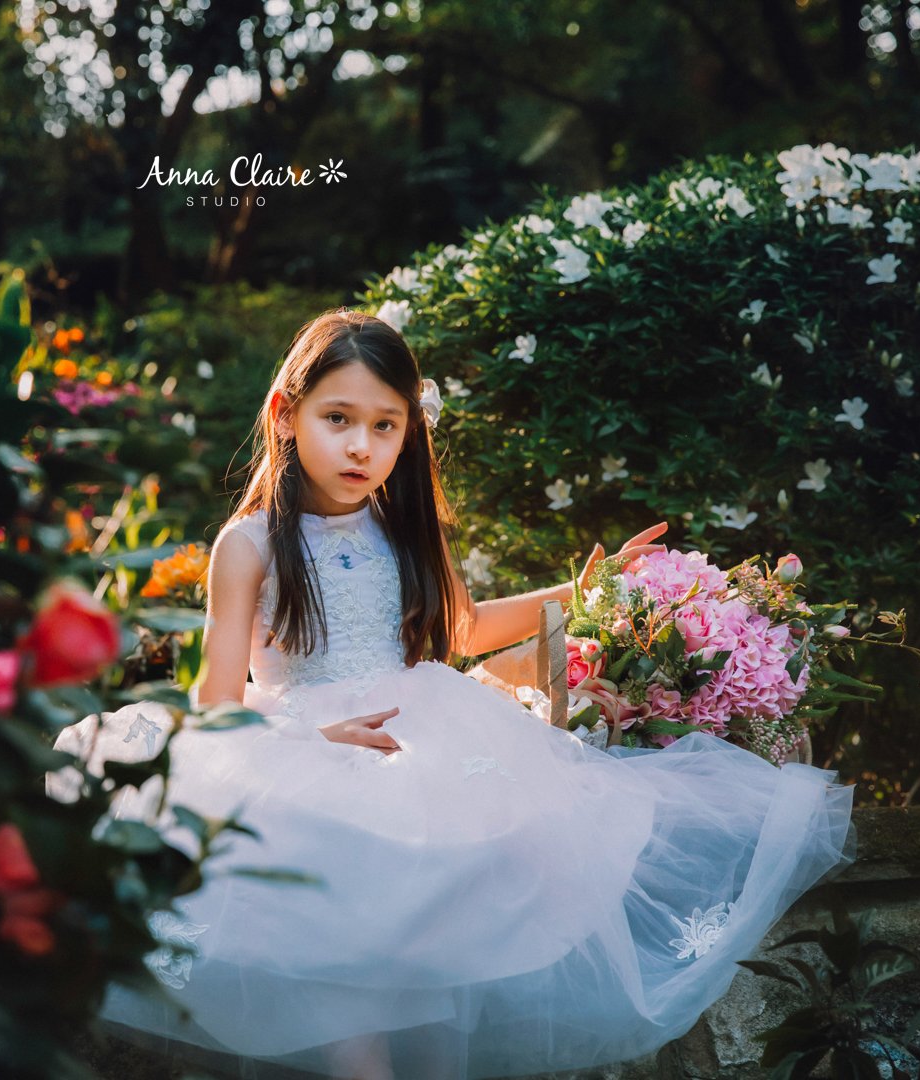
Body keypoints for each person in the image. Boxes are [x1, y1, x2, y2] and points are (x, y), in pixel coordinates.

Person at [47, 308, 857, 1080]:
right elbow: (218, 699)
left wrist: (584, 590)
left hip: (421, 761)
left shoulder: (401, 533)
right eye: (338, 419)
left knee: (436, 1029)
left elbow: (463, 629)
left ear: (408, 430)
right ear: (286, 414)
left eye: (385, 425)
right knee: (355, 1037)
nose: (361, 445)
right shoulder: (251, 543)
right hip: (309, 779)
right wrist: (303, 742)